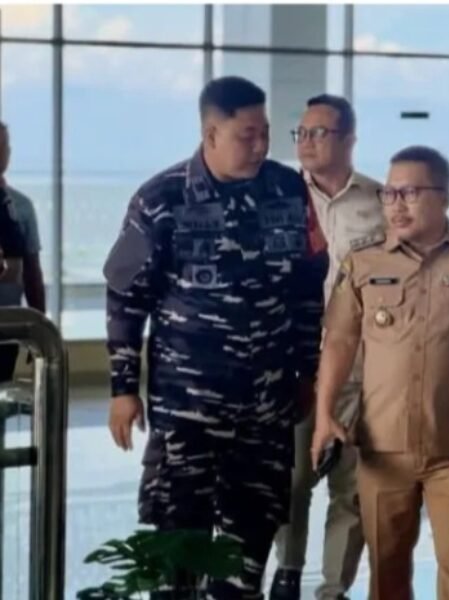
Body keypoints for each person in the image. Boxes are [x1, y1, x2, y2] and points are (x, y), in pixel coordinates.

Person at [103, 76, 328, 599]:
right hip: (188, 410)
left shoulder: (287, 190)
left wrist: (308, 373)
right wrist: (123, 388)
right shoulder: (161, 199)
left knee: (246, 556)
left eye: (266, 132)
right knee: (176, 553)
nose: (261, 145)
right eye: (248, 135)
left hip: (266, 410)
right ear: (210, 134)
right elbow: (126, 298)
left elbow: (307, 289)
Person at [311, 146, 449, 600]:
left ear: (444, 198)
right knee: (386, 572)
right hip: (383, 448)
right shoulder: (364, 261)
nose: (396, 205)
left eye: (410, 193)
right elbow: (339, 341)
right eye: (389, 193)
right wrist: (324, 414)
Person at [271, 94, 383, 600]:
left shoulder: (380, 203)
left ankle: (334, 588)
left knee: (352, 488)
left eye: (320, 132)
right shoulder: (281, 200)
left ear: (349, 139)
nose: (307, 142)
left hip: (364, 368)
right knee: (293, 478)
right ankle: (288, 571)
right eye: (302, 132)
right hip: (298, 367)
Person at [0, 121, 45, 382]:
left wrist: (40, 330)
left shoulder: (21, 207)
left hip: (9, 327)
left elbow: (32, 273)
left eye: (4, 145)